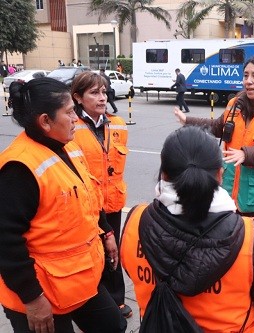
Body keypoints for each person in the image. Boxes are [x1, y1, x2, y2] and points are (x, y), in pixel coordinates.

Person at [120, 125, 254, 330]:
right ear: (220, 174)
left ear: (163, 174)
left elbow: (131, 271)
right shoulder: (249, 235)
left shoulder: (135, 220)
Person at [0, 77, 127, 333]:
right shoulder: (19, 167)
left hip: (78, 280)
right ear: (45, 121)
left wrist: (108, 232)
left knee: (114, 326)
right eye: (69, 112)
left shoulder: (66, 146)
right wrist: (33, 300)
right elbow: (5, 242)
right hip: (41, 293)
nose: (74, 118)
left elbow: (88, 193)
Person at [174, 56, 254, 226]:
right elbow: (217, 127)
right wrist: (187, 120)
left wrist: (247, 154)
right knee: (225, 243)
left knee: (250, 244)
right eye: (246, 75)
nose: (249, 81)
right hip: (228, 191)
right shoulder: (234, 104)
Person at [71, 71, 132, 318]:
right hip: (86, 207)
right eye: (94, 93)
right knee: (90, 254)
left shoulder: (117, 124)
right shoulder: (71, 127)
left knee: (113, 250)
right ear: (78, 97)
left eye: (104, 92)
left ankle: (116, 299)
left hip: (112, 202)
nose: (102, 98)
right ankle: (91, 300)